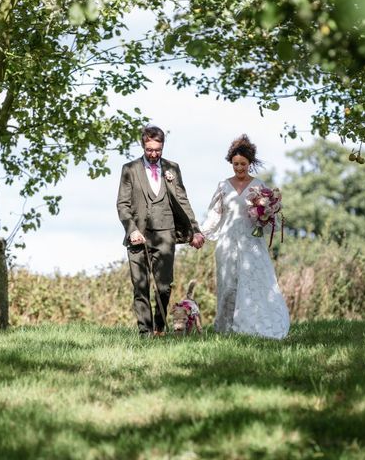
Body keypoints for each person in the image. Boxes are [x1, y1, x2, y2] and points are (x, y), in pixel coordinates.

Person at [117, 125, 205, 337]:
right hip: (138, 235)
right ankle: (145, 333)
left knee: (164, 287)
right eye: (150, 150)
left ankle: (159, 327)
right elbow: (122, 204)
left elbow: (183, 200)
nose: (154, 154)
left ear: (163, 146)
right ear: (143, 145)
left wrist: (195, 230)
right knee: (141, 286)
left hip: (166, 233)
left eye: (158, 149)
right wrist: (132, 230)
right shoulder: (129, 169)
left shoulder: (172, 168)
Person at [200, 134, 290, 339]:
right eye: (235, 164)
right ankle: (226, 327)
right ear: (230, 163)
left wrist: (266, 214)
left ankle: (253, 324)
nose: (239, 168)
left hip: (251, 241)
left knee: (254, 282)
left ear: (250, 163)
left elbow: (267, 219)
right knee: (228, 285)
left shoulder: (258, 185)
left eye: (243, 164)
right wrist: (201, 234)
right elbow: (215, 215)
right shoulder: (223, 186)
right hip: (227, 242)